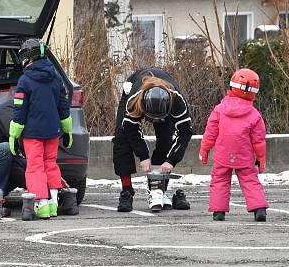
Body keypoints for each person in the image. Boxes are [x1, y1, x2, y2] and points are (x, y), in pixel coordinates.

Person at [9, 38, 74, 220]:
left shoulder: (25, 80)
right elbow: (63, 107)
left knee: (35, 168)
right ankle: (53, 204)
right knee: (50, 165)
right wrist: (67, 130)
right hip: (53, 132)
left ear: (27, 57)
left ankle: (41, 205)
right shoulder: (56, 78)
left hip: (33, 134)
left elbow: (19, 111)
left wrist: (14, 135)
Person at [113, 68, 193, 212]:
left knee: (166, 141)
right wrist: (143, 156)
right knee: (121, 139)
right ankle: (126, 191)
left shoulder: (177, 101)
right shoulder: (134, 100)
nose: (155, 121)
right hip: (134, 89)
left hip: (167, 99)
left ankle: (158, 189)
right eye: (152, 117)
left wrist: (171, 160)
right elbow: (130, 129)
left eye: (158, 118)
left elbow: (185, 132)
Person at [199, 68, 269, 222]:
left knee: (219, 180)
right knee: (250, 180)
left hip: (222, 155)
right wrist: (261, 157)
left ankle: (218, 211)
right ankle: (259, 209)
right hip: (244, 156)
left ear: (232, 86)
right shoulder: (254, 115)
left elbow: (210, 134)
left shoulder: (219, 110)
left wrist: (204, 150)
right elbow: (258, 140)